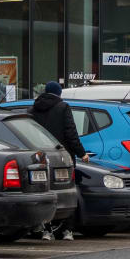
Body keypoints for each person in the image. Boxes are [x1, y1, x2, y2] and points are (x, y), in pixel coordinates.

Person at [29, 81, 85, 241]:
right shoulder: (63, 107)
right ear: (59, 93)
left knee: (47, 192)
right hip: (61, 157)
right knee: (67, 191)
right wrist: (81, 153)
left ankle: (47, 230)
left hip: (41, 157)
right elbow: (71, 133)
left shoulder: (33, 109)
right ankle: (67, 230)